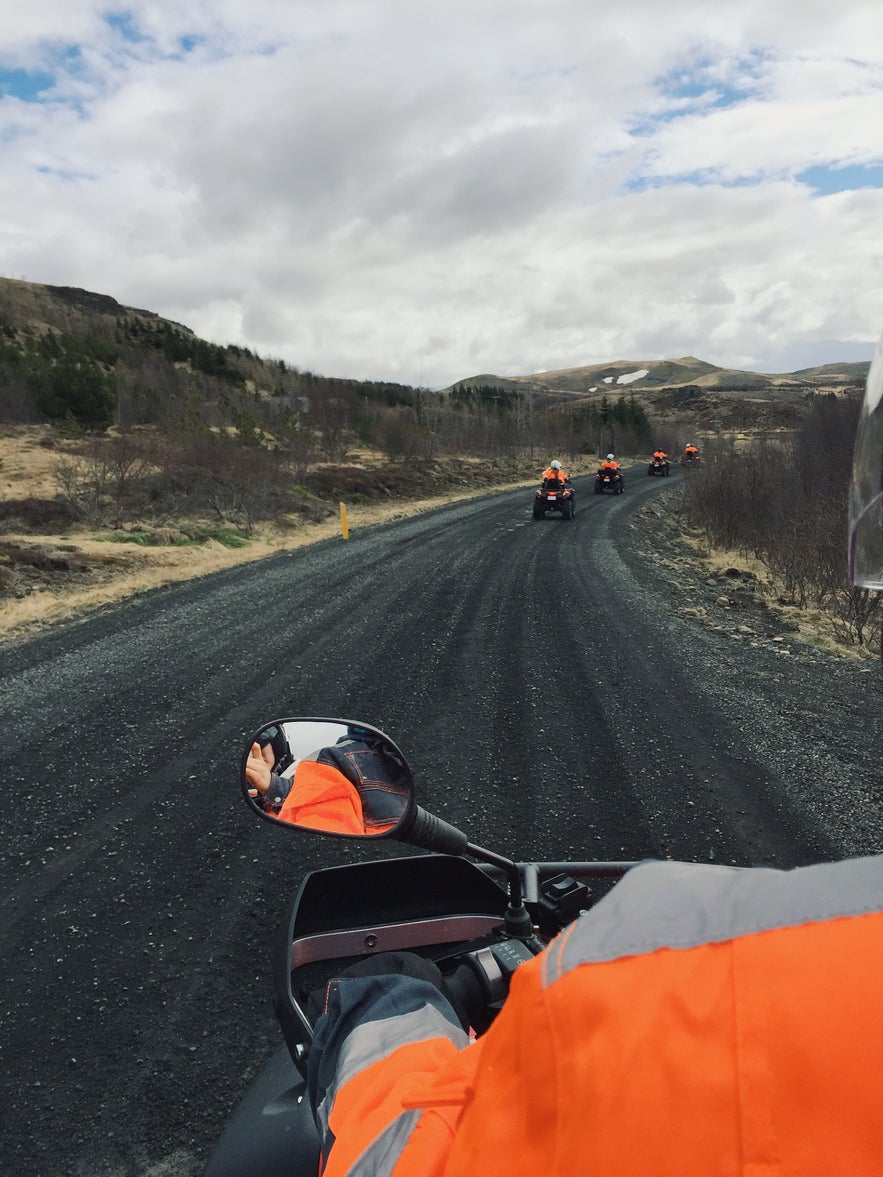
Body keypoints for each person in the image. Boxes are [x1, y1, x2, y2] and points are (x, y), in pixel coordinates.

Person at [302, 350, 883, 1175]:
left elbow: (413, 1148)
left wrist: (384, 1004)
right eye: (562, 474)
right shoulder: (565, 468)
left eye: (565, 475)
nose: (567, 476)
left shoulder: (673, 958)